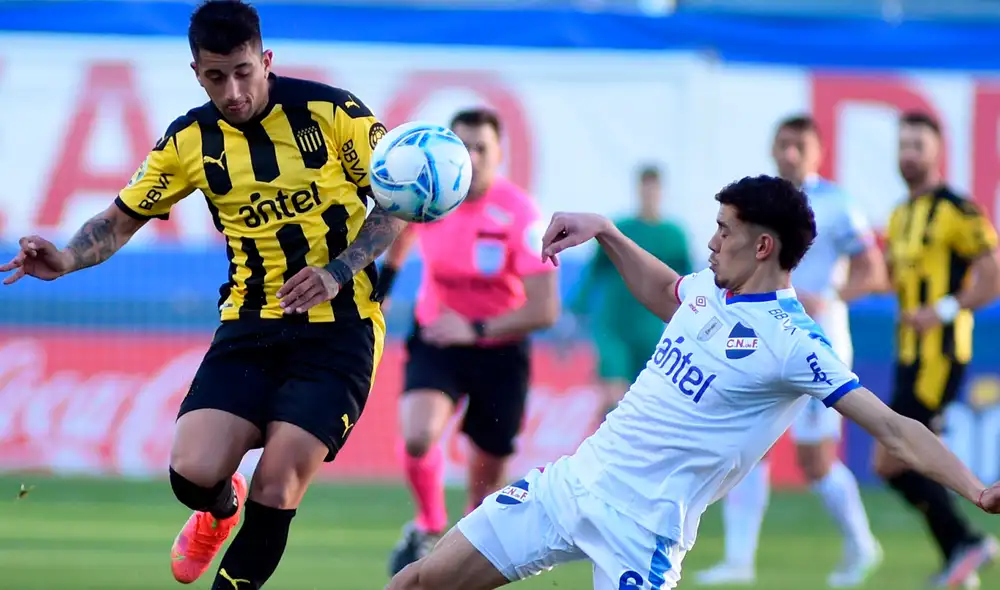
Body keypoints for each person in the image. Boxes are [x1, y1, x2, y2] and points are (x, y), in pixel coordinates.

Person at [383, 175, 1000, 590]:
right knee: (416, 581)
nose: (711, 240)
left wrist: (975, 491)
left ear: (762, 246)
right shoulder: (708, 289)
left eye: (724, 230)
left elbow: (894, 428)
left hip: (642, 534)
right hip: (571, 485)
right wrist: (607, 231)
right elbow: (661, 290)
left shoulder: (795, 344)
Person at [0, 2, 406, 589]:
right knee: (192, 473)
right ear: (196, 73)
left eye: (243, 71)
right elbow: (120, 220)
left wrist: (340, 269)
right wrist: (64, 259)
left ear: (265, 60)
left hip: (342, 326)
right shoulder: (191, 139)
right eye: (216, 77)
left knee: (280, 481)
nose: (233, 90)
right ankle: (219, 509)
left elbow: (396, 204)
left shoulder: (334, 113)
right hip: (250, 323)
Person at [696, 115, 884, 588]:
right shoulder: (761, 206)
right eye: (782, 144)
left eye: (800, 145)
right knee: (749, 448)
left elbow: (873, 269)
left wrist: (834, 298)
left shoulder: (837, 206)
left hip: (817, 339)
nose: (790, 153)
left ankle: (862, 544)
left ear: (818, 151)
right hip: (759, 336)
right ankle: (739, 561)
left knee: (814, 460)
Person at [373, 108, 560, 576]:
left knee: (485, 480)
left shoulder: (521, 215)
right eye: (465, 147)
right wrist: (386, 283)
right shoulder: (433, 192)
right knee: (418, 436)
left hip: (500, 349)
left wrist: (476, 329)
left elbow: (545, 309)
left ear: (500, 154)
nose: (473, 157)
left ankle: (461, 552)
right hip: (438, 336)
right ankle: (428, 525)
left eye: (483, 148)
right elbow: (400, 225)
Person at [877, 111, 1000, 588]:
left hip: (941, 355)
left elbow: (992, 275)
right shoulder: (900, 213)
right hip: (907, 352)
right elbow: (891, 277)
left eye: (917, 144)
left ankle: (965, 544)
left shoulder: (956, 208)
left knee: (894, 456)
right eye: (903, 143)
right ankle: (960, 552)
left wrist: (943, 311)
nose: (908, 152)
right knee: (897, 459)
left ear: (937, 151)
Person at [569, 165, 691, 419]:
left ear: (661, 192)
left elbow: (688, 285)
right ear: (639, 189)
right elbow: (594, 273)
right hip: (613, 324)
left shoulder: (674, 236)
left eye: (654, 189)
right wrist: (575, 309)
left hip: (648, 328)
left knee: (640, 404)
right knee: (614, 395)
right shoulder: (620, 229)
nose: (649, 194)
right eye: (645, 188)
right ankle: (602, 448)